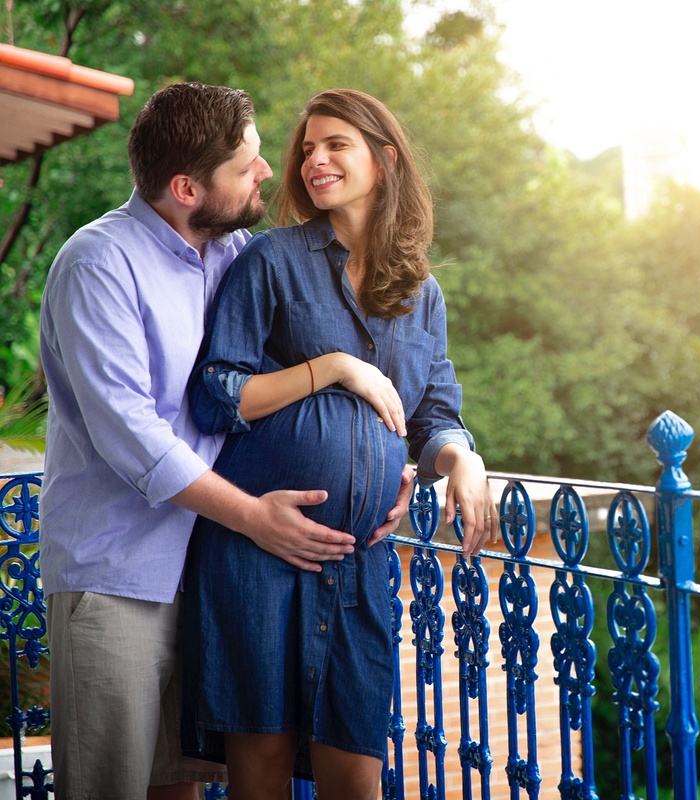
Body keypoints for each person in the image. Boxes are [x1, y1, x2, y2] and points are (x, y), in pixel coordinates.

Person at [38, 83, 402, 800]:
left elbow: (281, 383)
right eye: (248, 166)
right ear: (185, 188)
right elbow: (133, 436)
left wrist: (386, 467)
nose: (270, 173)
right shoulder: (98, 265)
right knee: (112, 785)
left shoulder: (233, 253)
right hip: (119, 578)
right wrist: (255, 518)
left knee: (182, 788)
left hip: (210, 573)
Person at [180, 88, 495, 798]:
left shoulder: (423, 293)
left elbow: (434, 418)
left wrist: (463, 461)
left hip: (357, 567)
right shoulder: (271, 261)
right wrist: (335, 370)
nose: (315, 159)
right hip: (258, 550)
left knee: (356, 771)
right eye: (307, 149)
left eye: (336, 145)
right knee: (259, 766)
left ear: (384, 161)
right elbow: (215, 393)